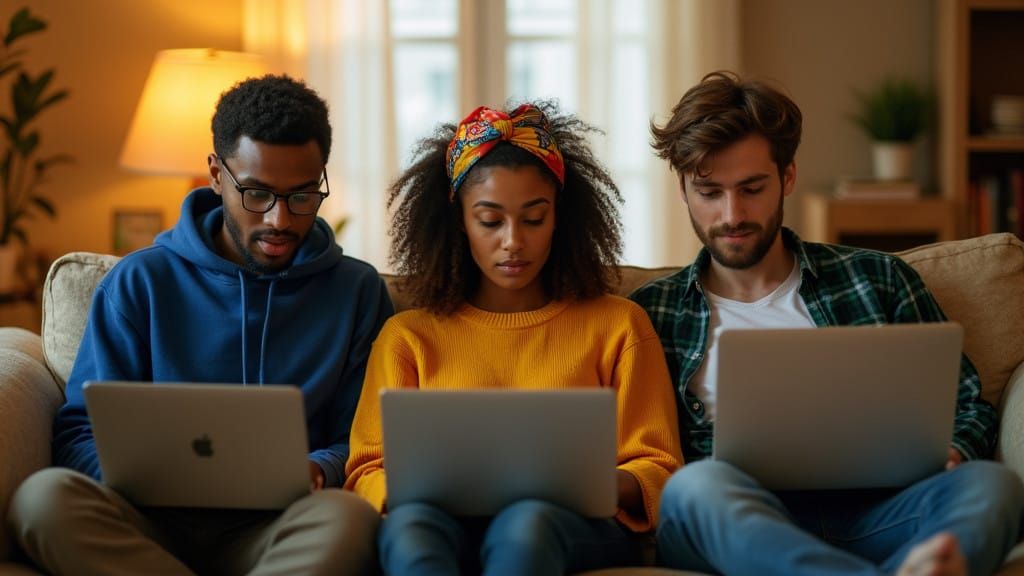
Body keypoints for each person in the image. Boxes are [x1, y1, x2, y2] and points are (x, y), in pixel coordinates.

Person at [630, 70, 1024, 576]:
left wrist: (953, 449)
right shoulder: (652, 313)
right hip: (739, 523)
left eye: (752, 188)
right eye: (710, 192)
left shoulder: (877, 277)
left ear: (787, 177)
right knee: (693, 487)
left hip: (874, 513)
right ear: (682, 190)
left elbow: (966, 401)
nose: (732, 214)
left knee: (994, 485)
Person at [7, 75, 393, 575]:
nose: (280, 220)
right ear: (215, 173)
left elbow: (363, 441)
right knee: (41, 499)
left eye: (302, 195)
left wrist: (318, 468)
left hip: (280, 528)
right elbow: (79, 431)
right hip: (148, 524)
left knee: (348, 519)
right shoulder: (139, 282)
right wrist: (141, 477)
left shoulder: (356, 292)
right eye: (256, 193)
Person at [343, 102, 684, 575]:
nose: (513, 241)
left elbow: (659, 467)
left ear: (560, 218)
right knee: (411, 529)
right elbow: (366, 467)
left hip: (570, 526)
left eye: (533, 218)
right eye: (490, 221)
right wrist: (405, 491)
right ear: (458, 220)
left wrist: (585, 483)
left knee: (525, 525)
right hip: (442, 520)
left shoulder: (619, 326)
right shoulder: (408, 336)